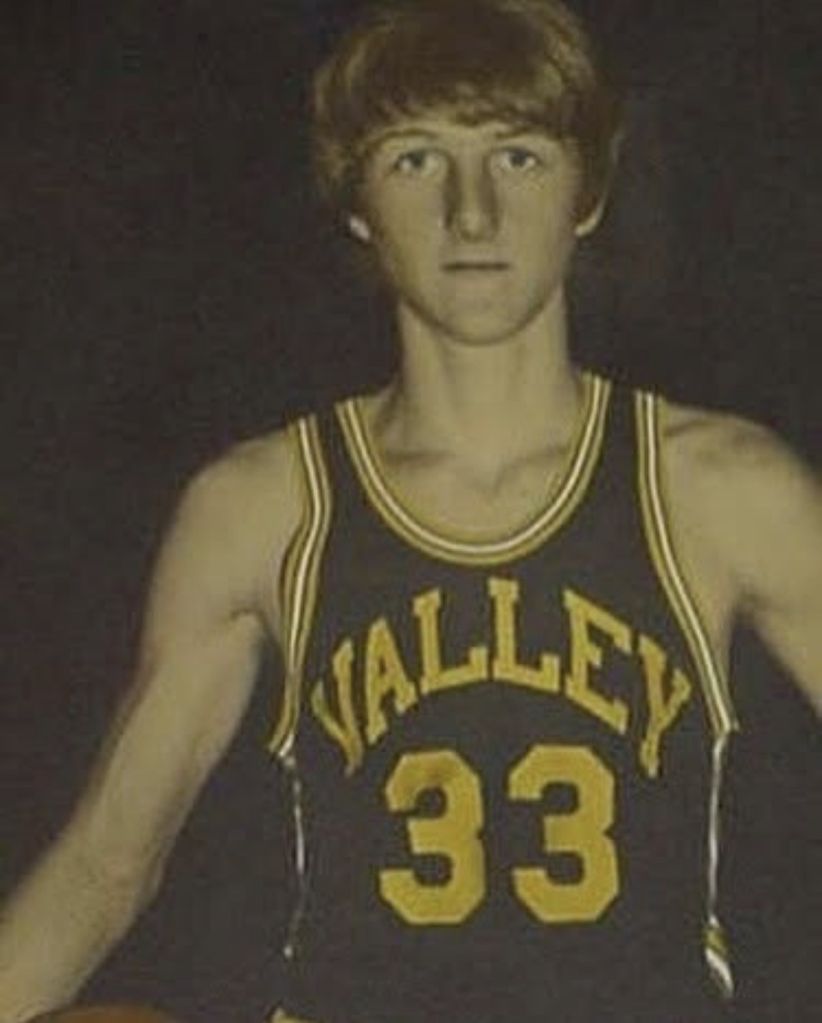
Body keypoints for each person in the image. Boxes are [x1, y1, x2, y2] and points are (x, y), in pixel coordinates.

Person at [2, 0, 820, 1020]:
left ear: (589, 191)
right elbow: (106, 867)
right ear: (356, 204)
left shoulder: (718, 490)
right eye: (416, 161)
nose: (471, 213)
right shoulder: (263, 508)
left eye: (517, 157)